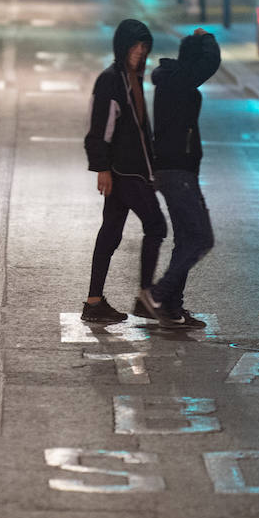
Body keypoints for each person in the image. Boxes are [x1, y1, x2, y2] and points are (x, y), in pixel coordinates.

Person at [81, 19, 167, 323]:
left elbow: (140, 131)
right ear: (122, 46)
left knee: (110, 233)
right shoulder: (111, 80)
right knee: (156, 226)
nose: (139, 52)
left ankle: (94, 302)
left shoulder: (133, 78)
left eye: (144, 46)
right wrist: (101, 167)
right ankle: (146, 295)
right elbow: (98, 127)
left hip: (132, 170)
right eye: (134, 46)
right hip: (124, 172)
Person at [138, 28, 220, 330]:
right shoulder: (179, 81)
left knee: (186, 238)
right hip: (178, 172)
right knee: (201, 238)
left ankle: (172, 306)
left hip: (176, 171)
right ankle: (159, 295)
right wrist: (207, 36)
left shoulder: (172, 80)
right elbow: (211, 63)